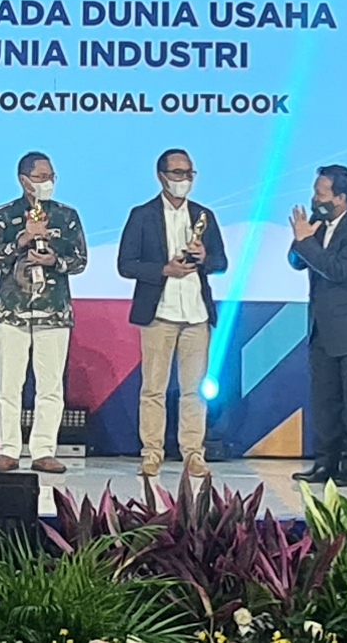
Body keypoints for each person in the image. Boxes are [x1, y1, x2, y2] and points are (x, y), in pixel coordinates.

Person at [117, 148, 227, 478]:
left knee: (194, 390)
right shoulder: (142, 215)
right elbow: (126, 265)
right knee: (154, 389)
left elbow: (221, 262)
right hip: (159, 313)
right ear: (161, 176)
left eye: (189, 173)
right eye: (177, 173)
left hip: (196, 314)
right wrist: (164, 269)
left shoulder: (204, 215)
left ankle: (193, 453)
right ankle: (152, 452)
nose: (184, 179)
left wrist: (204, 257)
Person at [0, 152, 88, 474]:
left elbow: (80, 260)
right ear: (24, 179)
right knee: (9, 385)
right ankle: (8, 450)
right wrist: (23, 239)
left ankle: (44, 450)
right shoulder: (3, 215)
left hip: (53, 311)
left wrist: (55, 261)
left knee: (51, 386)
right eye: (41, 177)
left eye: (51, 177)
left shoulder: (66, 216)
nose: (48, 182)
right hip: (11, 312)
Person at [287, 164, 347, 487]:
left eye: (321, 194)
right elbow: (297, 261)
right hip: (322, 330)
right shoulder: (319, 223)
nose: (315, 199)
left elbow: (338, 270)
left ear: (341, 197)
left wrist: (306, 243)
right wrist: (301, 239)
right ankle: (324, 464)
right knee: (324, 404)